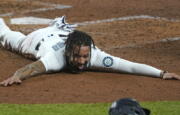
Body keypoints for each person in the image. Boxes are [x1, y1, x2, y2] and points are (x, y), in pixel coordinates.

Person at [0, 16, 179, 87]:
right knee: (7, 37)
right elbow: (33, 68)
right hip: (36, 40)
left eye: (84, 56)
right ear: (68, 52)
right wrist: (18, 75)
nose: (81, 61)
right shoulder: (56, 58)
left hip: (63, 32)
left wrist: (161, 73)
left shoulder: (94, 55)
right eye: (77, 56)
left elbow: (129, 66)